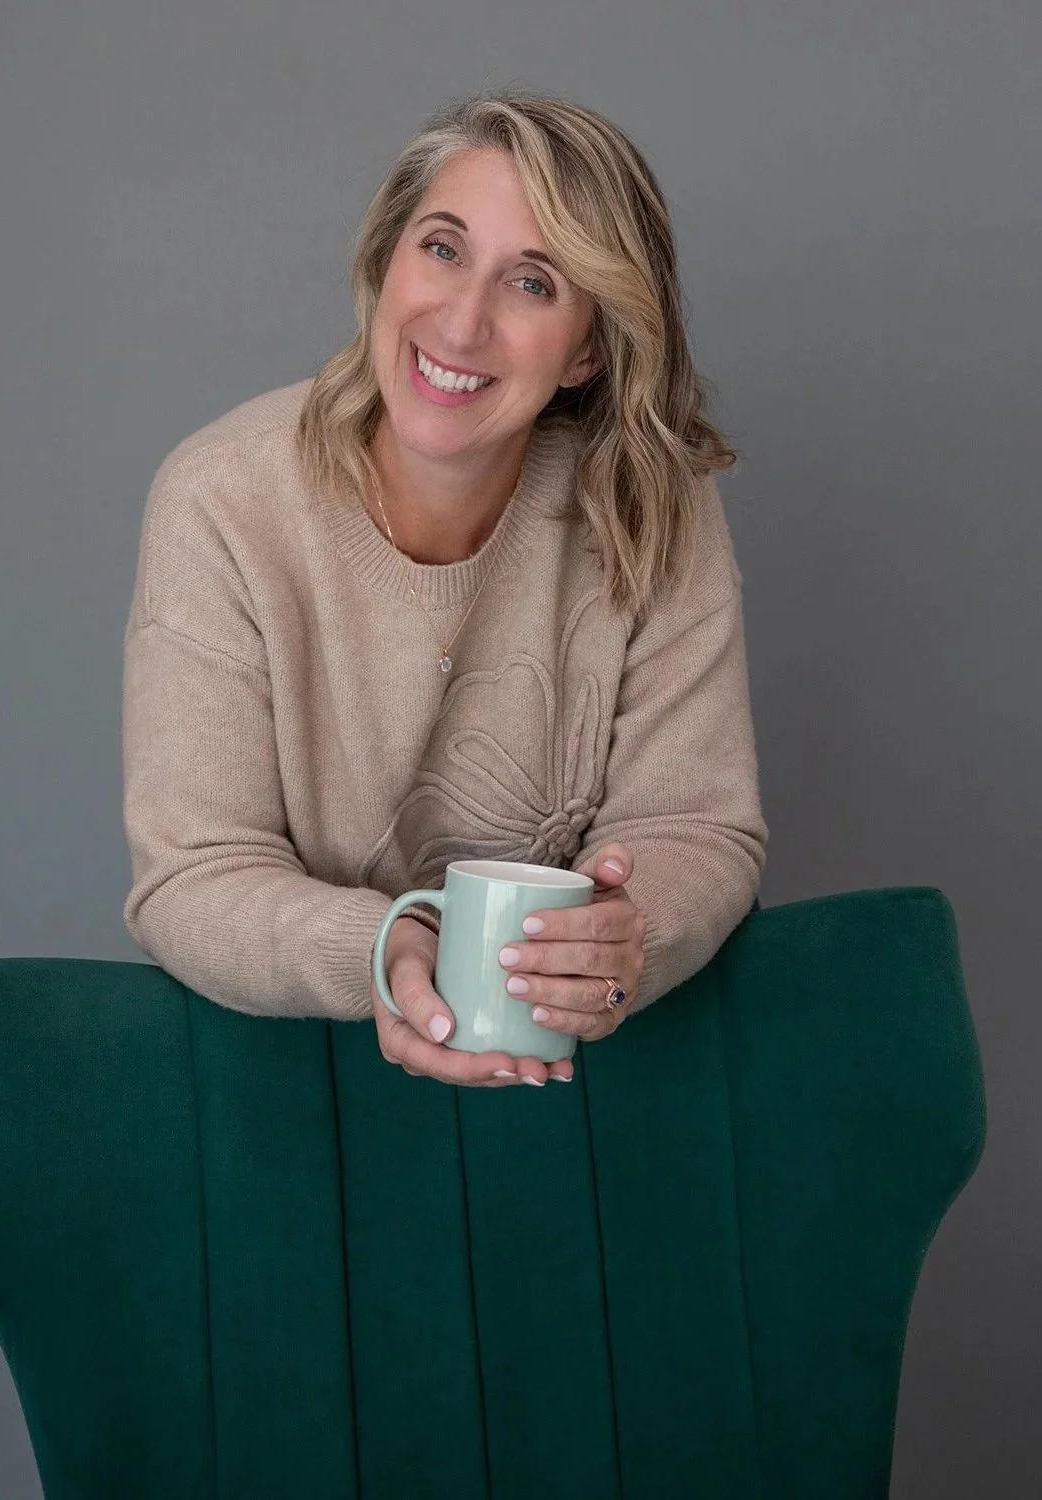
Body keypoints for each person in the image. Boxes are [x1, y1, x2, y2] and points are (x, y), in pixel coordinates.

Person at [122, 90, 768, 1088]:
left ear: (591, 347)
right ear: (386, 259)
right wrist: (390, 945)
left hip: (587, 1089)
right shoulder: (224, 501)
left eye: (534, 284)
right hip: (292, 1099)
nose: (463, 323)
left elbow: (694, 825)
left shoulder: (654, 507)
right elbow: (194, 879)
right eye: (443, 249)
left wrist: (629, 936)